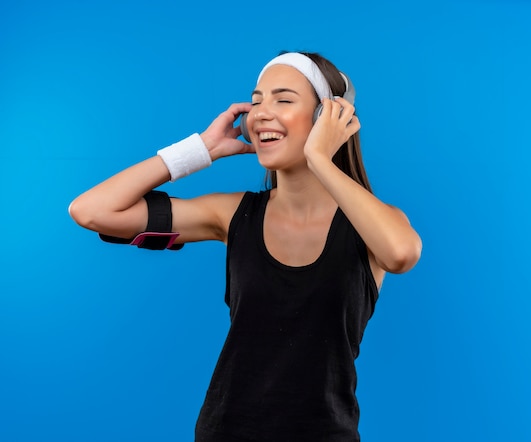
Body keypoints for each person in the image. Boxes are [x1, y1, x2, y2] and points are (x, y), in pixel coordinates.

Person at [69, 51, 422, 441]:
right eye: (256, 102)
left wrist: (320, 158)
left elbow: (401, 254)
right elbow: (92, 211)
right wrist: (199, 150)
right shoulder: (232, 214)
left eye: (283, 100)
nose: (260, 114)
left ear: (327, 119)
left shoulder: (370, 224)